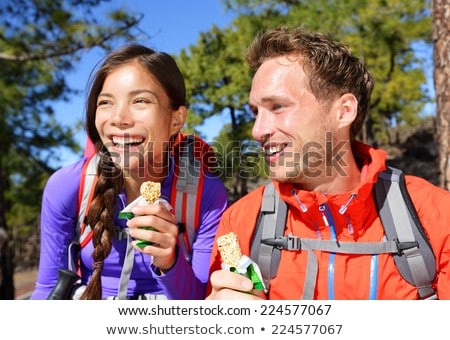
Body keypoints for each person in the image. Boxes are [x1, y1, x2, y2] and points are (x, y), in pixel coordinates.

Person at [207, 25, 450, 300]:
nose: (257, 130)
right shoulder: (240, 223)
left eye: (278, 106)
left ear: (344, 111)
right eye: (255, 112)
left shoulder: (437, 218)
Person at [31, 43, 229, 300]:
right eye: (106, 103)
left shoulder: (206, 194)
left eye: (140, 101)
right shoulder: (68, 186)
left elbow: (202, 305)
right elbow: (48, 290)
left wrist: (169, 261)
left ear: (176, 120)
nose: (119, 118)